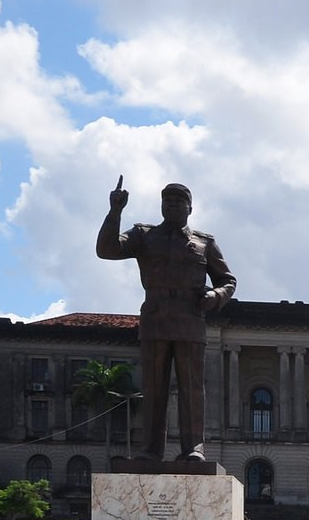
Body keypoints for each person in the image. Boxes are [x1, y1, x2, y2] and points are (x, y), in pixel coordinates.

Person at [96, 178, 236, 461]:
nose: (172, 205)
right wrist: (115, 211)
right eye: (167, 201)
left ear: (190, 208)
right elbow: (106, 250)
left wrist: (215, 297)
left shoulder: (204, 243)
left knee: (192, 389)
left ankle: (193, 448)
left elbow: (227, 280)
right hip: (156, 318)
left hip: (190, 320)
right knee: (153, 388)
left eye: (178, 201)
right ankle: (150, 450)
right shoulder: (143, 236)